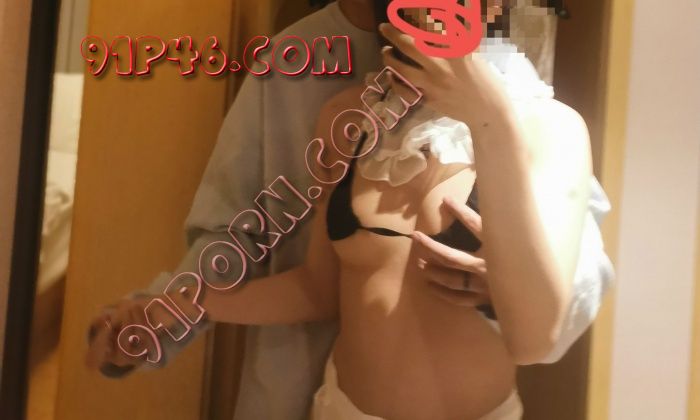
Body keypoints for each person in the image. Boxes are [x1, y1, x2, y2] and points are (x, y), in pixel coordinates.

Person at [85, 1, 614, 419]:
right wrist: (183, 304)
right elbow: (318, 289)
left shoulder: (550, 128)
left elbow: (537, 338)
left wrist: (489, 118)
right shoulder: (348, 116)